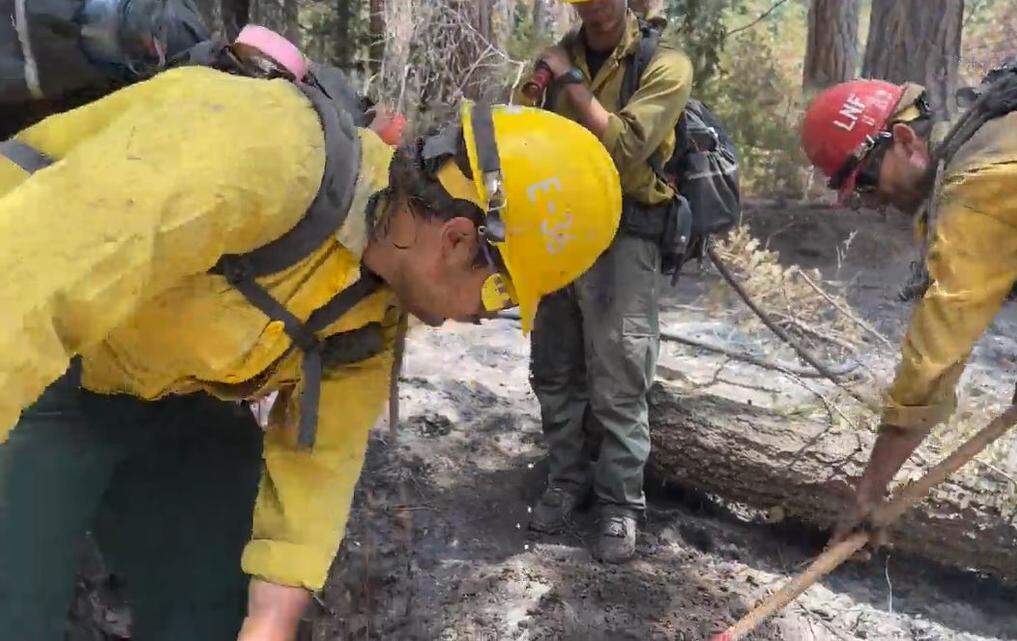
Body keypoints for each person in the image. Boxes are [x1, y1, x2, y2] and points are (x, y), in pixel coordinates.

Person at [0, 62, 622, 641]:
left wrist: (267, 624)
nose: (477, 319)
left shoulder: (375, 311)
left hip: (169, 391)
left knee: (213, 594)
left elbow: (318, 461)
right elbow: (25, 284)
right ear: (458, 239)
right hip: (38, 363)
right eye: (496, 297)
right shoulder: (261, 151)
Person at [800, 78, 1017, 641]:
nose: (870, 202)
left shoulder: (981, 191)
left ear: (906, 140)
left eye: (864, 181)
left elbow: (934, 362)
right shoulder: (1002, 138)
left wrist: (870, 491)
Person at [519, 0, 693, 563]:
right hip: (558, 228)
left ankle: (621, 505)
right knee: (555, 367)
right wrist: (539, 84)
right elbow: (520, 136)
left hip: (625, 233)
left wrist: (568, 81)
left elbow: (622, 147)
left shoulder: (665, 64)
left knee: (619, 375)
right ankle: (565, 481)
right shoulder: (551, 61)